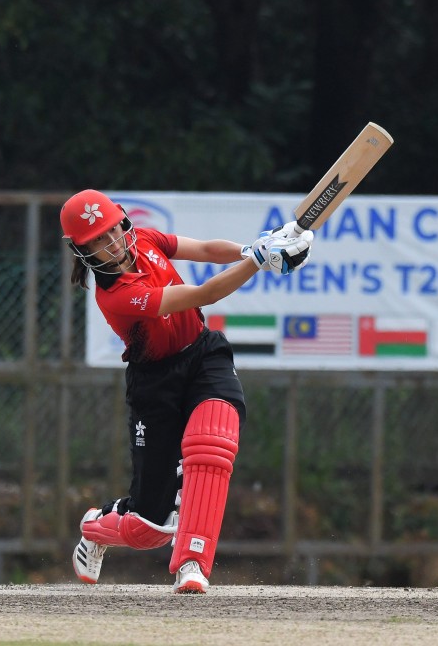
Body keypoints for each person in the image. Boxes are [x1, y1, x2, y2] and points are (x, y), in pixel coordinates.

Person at [60, 189, 313, 594]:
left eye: (113, 231)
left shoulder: (143, 238)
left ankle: (193, 562)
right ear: (82, 251)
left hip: (202, 353)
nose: (112, 244)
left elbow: (205, 249)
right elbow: (201, 295)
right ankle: (95, 527)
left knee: (213, 441)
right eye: (99, 242)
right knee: (149, 528)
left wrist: (250, 247)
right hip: (154, 384)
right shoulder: (116, 296)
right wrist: (258, 262)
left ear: (122, 221)